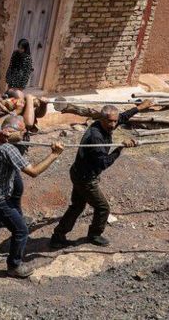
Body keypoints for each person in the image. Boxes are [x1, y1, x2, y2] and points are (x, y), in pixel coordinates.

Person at [50, 100, 153, 248]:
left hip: (79, 172)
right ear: (102, 119)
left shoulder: (104, 124)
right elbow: (104, 163)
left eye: (114, 122)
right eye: (110, 121)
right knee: (103, 208)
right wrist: (120, 148)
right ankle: (94, 235)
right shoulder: (96, 137)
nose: (113, 125)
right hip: (86, 178)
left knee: (77, 206)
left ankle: (57, 236)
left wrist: (139, 108)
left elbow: (122, 117)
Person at [0, 122, 64, 278]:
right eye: (22, 131)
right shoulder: (8, 149)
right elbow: (33, 171)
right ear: (9, 131)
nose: (25, 133)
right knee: (21, 230)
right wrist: (54, 154)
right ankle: (14, 266)